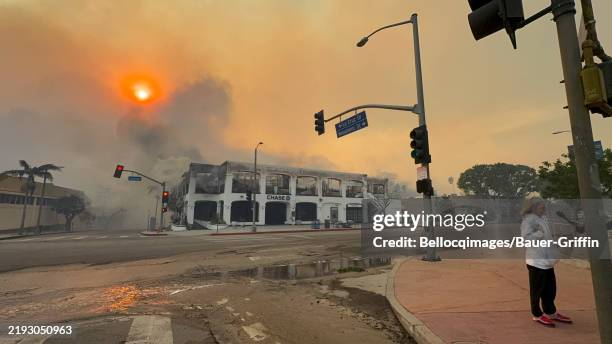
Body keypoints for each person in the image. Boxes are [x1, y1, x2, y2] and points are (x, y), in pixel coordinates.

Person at [520, 198, 573, 327]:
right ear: (533, 207)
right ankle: (537, 315)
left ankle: (550, 312)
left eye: (544, 206)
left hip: (546, 260)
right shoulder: (529, 220)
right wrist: (538, 234)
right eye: (541, 206)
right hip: (536, 261)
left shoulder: (543, 218)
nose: (544, 208)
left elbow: (547, 237)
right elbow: (525, 238)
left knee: (550, 289)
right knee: (537, 290)